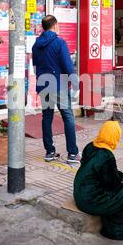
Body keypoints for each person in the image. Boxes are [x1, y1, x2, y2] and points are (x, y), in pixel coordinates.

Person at [74, 121, 123, 240]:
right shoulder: (106, 156)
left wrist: (119, 176)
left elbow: (98, 172)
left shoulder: (91, 146)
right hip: (91, 202)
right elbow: (111, 185)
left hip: (79, 195)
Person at [32, 15, 80, 164]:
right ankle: (72, 154)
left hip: (44, 85)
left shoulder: (36, 44)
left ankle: (50, 152)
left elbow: (35, 67)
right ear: (55, 25)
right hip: (58, 85)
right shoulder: (59, 42)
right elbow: (67, 65)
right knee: (68, 117)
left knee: (47, 117)